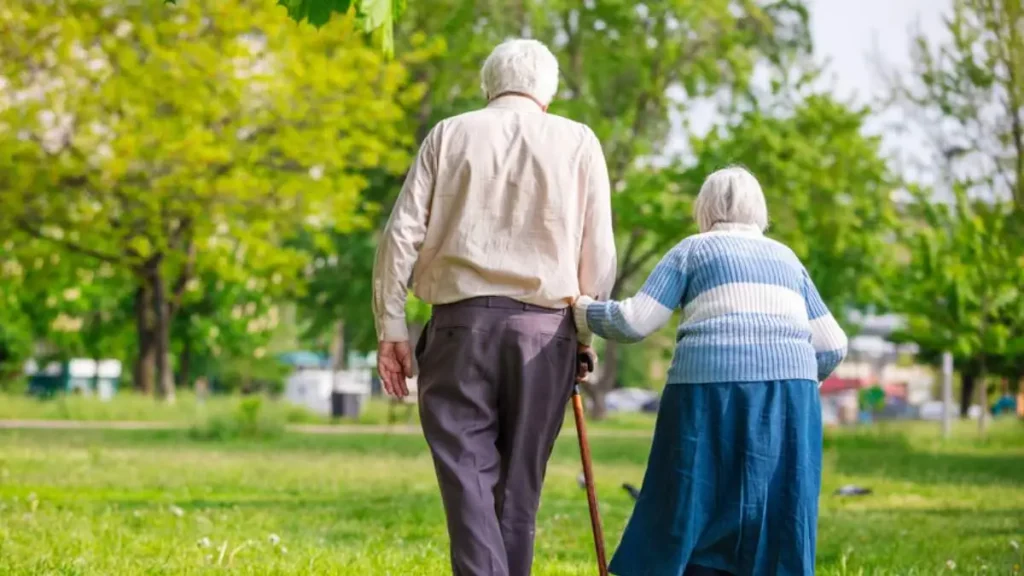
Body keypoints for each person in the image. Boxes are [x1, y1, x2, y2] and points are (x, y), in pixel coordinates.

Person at [372, 39, 616, 576]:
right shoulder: (578, 140)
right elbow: (597, 253)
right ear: (547, 95)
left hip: (460, 328)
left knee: (468, 483)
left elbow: (400, 236)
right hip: (545, 332)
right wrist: (582, 336)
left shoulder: (449, 133)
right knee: (519, 493)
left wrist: (391, 325)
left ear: (488, 86)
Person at [573, 167, 848, 576]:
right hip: (791, 395)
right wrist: (798, 378)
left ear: (704, 208)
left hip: (707, 390)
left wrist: (579, 309)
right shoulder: (787, 258)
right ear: (760, 210)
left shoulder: (693, 250)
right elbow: (834, 344)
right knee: (776, 508)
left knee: (688, 499)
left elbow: (634, 322)